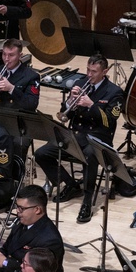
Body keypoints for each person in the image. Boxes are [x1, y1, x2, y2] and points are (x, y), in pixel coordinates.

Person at [35, 53, 123, 224]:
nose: (89, 74)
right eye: (88, 70)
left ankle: (87, 201)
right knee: (41, 153)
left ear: (104, 72)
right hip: (75, 135)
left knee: (90, 155)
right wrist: (70, 101)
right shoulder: (80, 83)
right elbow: (64, 113)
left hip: (97, 138)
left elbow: (110, 121)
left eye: (94, 71)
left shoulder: (114, 92)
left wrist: (91, 105)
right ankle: (70, 184)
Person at [0, 39, 39, 111]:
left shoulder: (31, 76)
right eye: (4, 54)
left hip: (15, 115)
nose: (6, 58)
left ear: (20, 56)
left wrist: (11, 88)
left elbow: (32, 105)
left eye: (11, 55)